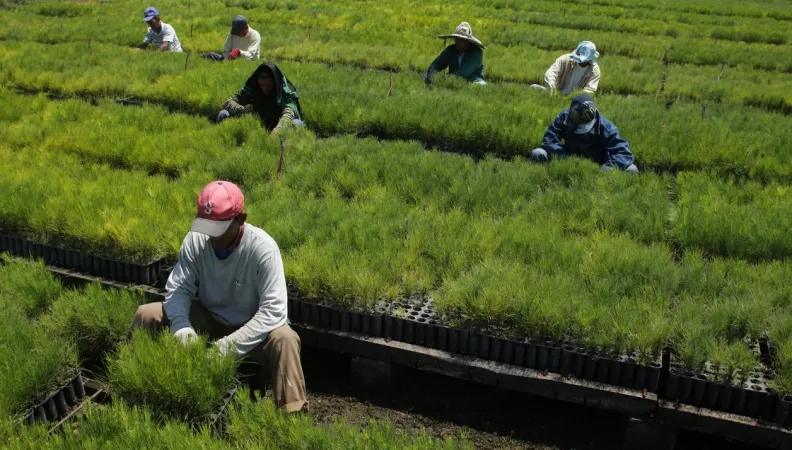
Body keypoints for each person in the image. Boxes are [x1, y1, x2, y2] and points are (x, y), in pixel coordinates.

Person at [129, 180, 308, 413]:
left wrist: (225, 348)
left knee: (285, 339)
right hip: (209, 317)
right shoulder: (196, 239)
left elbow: (273, 311)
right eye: (206, 226)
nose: (210, 236)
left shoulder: (263, 249)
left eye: (218, 229)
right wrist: (182, 327)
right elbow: (180, 289)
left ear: (240, 219)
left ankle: (291, 416)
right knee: (146, 314)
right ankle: (131, 387)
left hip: (251, 326)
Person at [531, 94, 638, 173]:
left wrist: (604, 169)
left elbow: (624, 154)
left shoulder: (607, 128)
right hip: (568, 159)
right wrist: (569, 160)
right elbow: (548, 141)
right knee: (538, 153)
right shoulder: (563, 117)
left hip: (598, 165)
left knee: (632, 169)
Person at [213, 63, 304, 134]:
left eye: (268, 85)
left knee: (297, 124)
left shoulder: (284, 89)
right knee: (223, 114)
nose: (265, 89)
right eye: (261, 85)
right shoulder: (253, 87)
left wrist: (278, 130)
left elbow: (288, 113)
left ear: (275, 82)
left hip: (281, 128)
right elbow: (228, 102)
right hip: (257, 126)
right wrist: (247, 111)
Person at [531, 41, 600, 95]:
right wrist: (552, 91)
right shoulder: (566, 59)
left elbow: (589, 90)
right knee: (533, 87)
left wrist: (573, 98)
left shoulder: (594, 70)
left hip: (575, 100)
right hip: (557, 91)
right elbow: (550, 73)